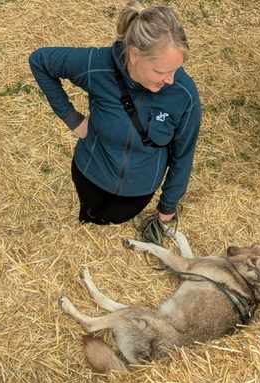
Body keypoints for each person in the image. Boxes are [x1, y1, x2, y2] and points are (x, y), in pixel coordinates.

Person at [29, 0, 201, 225]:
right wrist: (72, 119)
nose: (170, 80)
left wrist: (168, 204)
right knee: (88, 217)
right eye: (161, 71)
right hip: (89, 174)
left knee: (115, 220)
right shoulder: (98, 65)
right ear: (135, 56)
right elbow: (40, 61)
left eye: (175, 70)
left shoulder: (185, 94)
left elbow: (183, 152)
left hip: (139, 191)